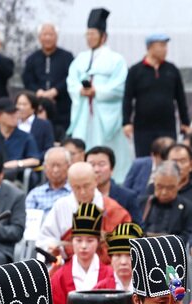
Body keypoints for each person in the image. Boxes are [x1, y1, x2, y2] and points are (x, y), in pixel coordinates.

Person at [67, 8, 131, 180]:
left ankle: (113, 180)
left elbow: (120, 87)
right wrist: (80, 90)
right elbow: (71, 82)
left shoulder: (116, 59)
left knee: (105, 149)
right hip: (83, 114)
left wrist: (98, 91)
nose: (90, 37)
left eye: (93, 33)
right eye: (87, 34)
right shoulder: (80, 59)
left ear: (103, 36)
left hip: (105, 116)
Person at [50, 202, 116, 304]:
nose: (84, 246)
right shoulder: (60, 275)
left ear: (98, 242)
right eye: (78, 240)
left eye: (90, 240)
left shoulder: (108, 273)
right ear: (71, 241)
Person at [36, 161, 131, 256]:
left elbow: (123, 245)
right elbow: (45, 240)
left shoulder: (113, 209)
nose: (82, 192)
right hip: (67, 264)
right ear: (69, 185)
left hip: (104, 266)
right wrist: (59, 247)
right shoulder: (61, 206)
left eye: (86, 186)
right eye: (76, 187)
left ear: (95, 181)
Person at [123, 33, 189, 159]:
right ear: (150, 47)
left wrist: (185, 121)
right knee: (145, 160)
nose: (165, 49)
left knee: (168, 157)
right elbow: (127, 98)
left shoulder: (172, 70)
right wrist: (126, 122)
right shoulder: (136, 71)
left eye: (166, 46)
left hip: (167, 126)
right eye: (161, 46)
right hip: (143, 128)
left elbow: (180, 98)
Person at [23, 23, 74, 139]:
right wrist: (38, 92)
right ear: (39, 37)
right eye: (45, 34)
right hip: (38, 105)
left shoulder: (67, 57)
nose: (47, 38)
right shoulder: (32, 58)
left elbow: (71, 77)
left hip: (62, 108)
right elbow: (27, 79)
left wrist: (55, 91)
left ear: (56, 37)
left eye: (51, 34)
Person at [0, 97, 41, 177]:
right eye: (10, 113)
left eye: (16, 112)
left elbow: (35, 160)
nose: (15, 116)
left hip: (17, 178)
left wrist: (17, 163)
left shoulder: (26, 137)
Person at [139, 163, 192, 241]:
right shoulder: (141, 203)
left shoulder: (188, 208)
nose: (164, 192)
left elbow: (188, 236)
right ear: (154, 182)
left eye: (170, 188)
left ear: (178, 184)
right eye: (160, 186)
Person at [26, 146, 72, 216]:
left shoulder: (75, 192)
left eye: (59, 165)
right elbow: (29, 221)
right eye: (52, 166)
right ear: (45, 167)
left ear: (68, 167)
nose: (55, 170)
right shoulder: (35, 194)